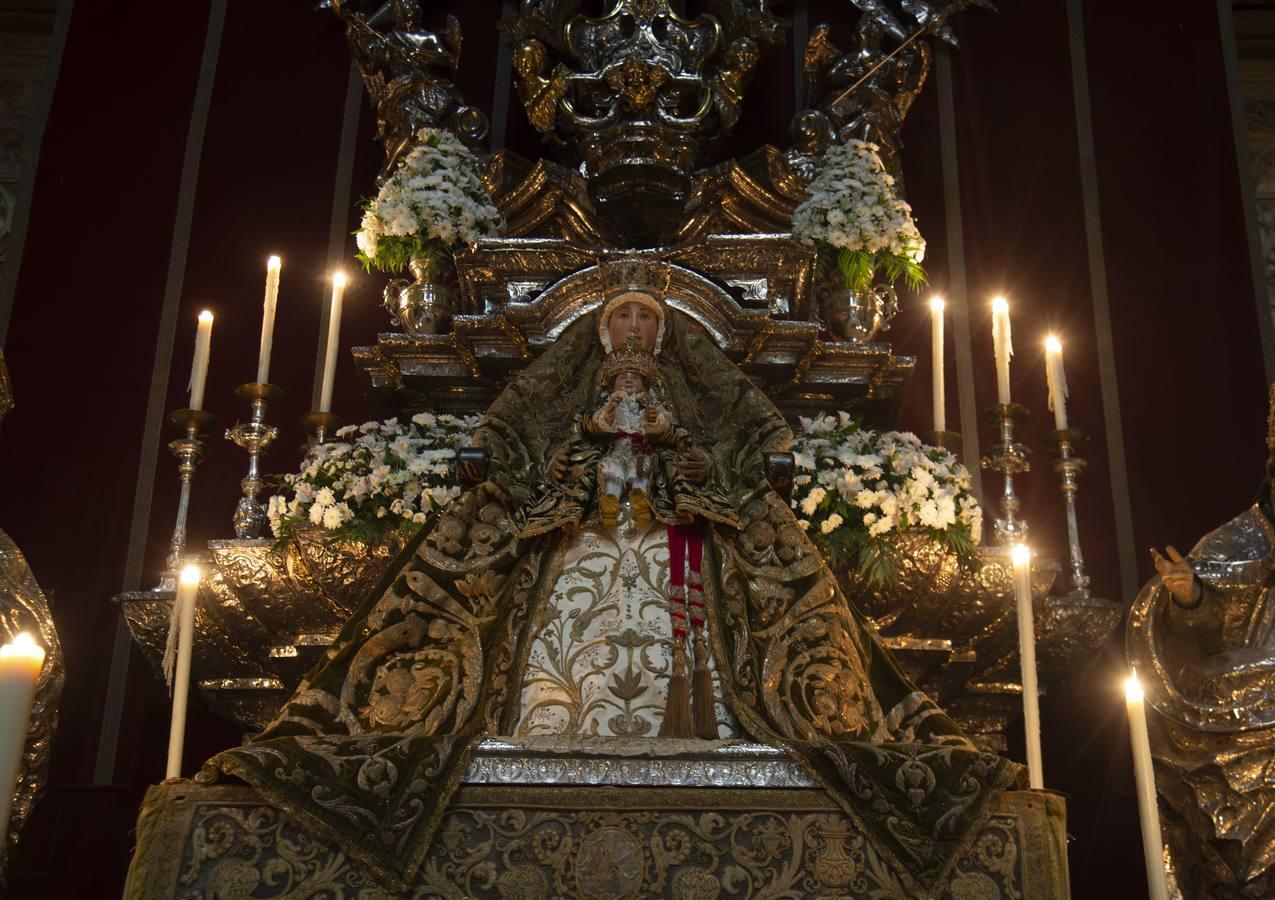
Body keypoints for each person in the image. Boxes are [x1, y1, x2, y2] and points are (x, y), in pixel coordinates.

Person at [200, 284, 1021, 895]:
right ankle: (542, 721)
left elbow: (750, 444)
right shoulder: (566, 387)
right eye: (622, 319)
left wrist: (692, 460)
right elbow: (510, 442)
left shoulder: (691, 389)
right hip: (580, 533)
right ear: (600, 331)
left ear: (663, 336)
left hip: (673, 539)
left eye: (646, 321)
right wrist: (563, 465)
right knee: (564, 606)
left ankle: (708, 721)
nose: (633, 331)